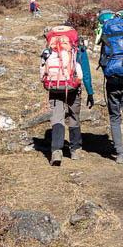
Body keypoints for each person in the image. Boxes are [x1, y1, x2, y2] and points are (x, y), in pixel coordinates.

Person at [41, 27, 94, 166]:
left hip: (54, 86)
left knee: (57, 117)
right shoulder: (77, 47)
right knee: (74, 116)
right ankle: (75, 150)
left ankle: (56, 150)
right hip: (72, 87)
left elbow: (43, 68)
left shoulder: (51, 46)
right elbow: (86, 71)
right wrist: (90, 92)